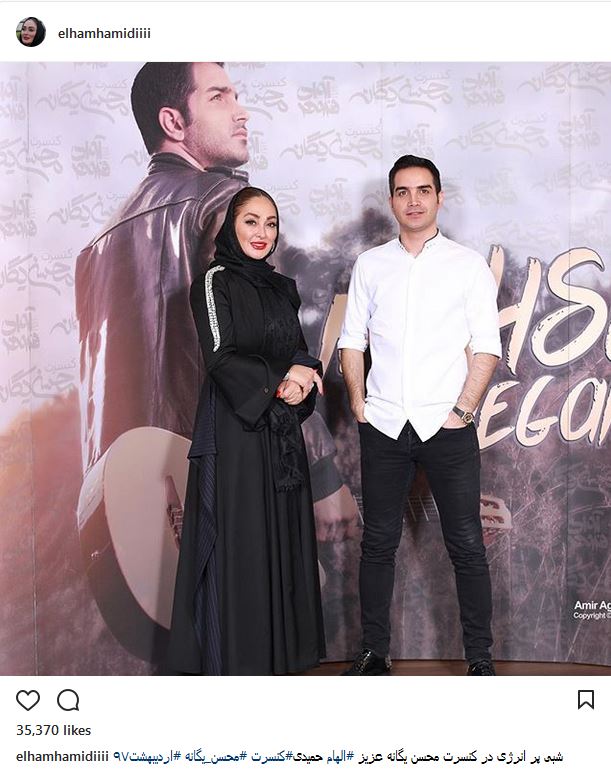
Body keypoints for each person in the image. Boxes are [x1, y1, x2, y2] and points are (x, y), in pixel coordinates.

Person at [338, 154, 501, 676]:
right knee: (377, 545)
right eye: (403, 191)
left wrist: (462, 411)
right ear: (391, 200)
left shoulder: (467, 265)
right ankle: (374, 653)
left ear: (439, 198)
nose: (413, 201)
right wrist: (360, 404)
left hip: (447, 426)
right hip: (384, 425)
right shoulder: (370, 265)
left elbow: (487, 347)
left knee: (467, 544)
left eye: (423, 190)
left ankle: (479, 658)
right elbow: (351, 341)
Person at [168, 187, 326, 675]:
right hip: (233, 432)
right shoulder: (213, 282)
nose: (262, 233)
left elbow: (297, 351)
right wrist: (281, 381)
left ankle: (281, 662)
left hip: (279, 435)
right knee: (242, 545)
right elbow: (220, 358)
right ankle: (236, 664)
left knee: (282, 539)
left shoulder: (281, 288)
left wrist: (304, 380)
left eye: (271, 223)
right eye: (251, 221)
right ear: (232, 227)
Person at [76, 62, 249, 475]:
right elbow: (257, 352)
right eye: (218, 97)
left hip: (121, 491)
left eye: (236, 97)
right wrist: (322, 473)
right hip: (211, 474)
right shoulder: (222, 201)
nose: (242, 113)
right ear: (173, 122)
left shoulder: (93, 249)